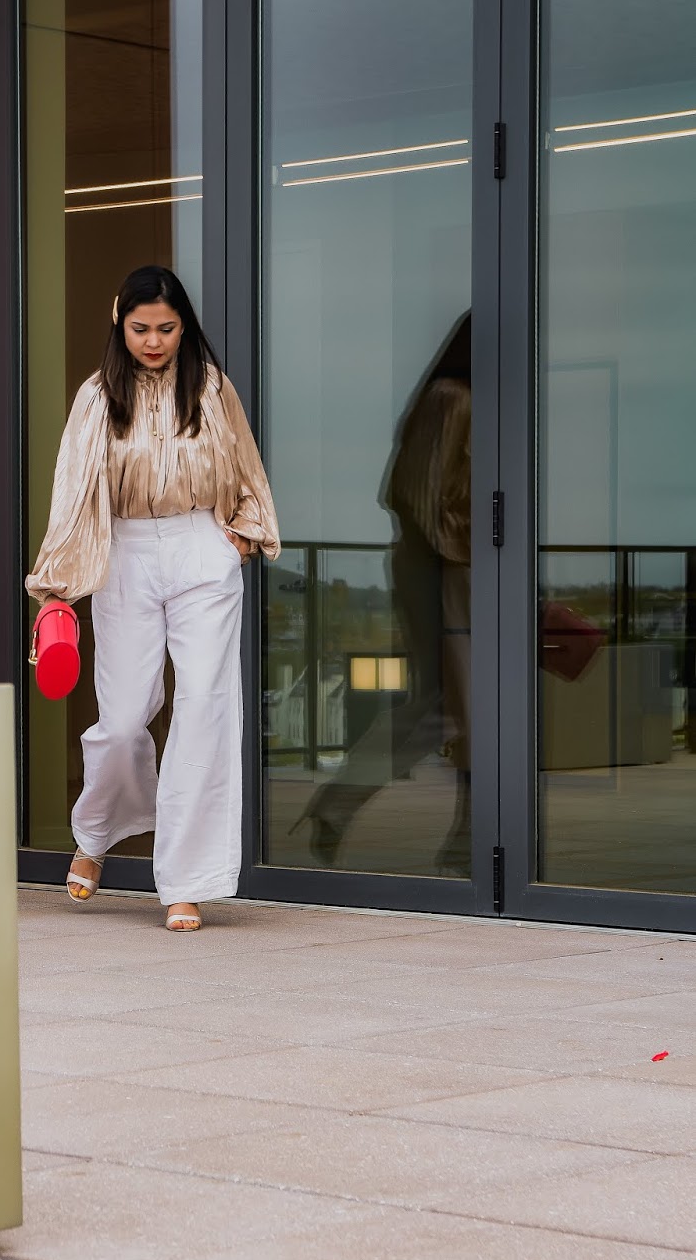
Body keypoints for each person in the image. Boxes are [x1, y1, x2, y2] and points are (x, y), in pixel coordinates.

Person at [27, 265, 281, 930]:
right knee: (122, 717)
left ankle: (185, 884)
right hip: (126, 553)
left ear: (183, 326)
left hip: (203, 546)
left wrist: (243, 539)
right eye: (140, 328)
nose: (154, 341)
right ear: (120, 322)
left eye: (167, 328)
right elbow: (72, 491)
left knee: (203, 707)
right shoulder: (96, 396)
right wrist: (56, 582)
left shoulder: (210, 388)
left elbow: (246, 466)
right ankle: (96, 835)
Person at [293, 311, 472, 875]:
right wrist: (484, 541)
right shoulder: (452, 397)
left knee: (458, 708)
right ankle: (466, 842)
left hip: (452, 567)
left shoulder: (462, 398)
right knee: (453, 706)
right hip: (444, 568)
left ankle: (467, 840)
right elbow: (415, 495)